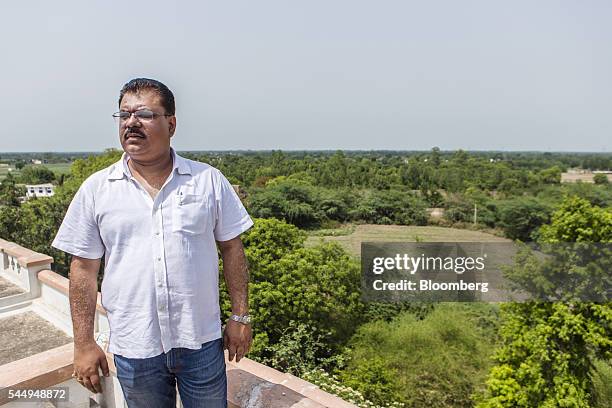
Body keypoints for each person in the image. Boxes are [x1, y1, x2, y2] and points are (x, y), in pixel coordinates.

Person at [51, 78, 253, 407]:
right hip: (135, 347)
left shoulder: (207, 181)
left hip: (201, 342)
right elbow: (83, 270)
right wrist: (83, 343)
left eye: (144, 114)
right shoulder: (97, 189)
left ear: (171, 124)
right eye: (124, 115)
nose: (131, 122)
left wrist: (240, 316)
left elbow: (233, 249)